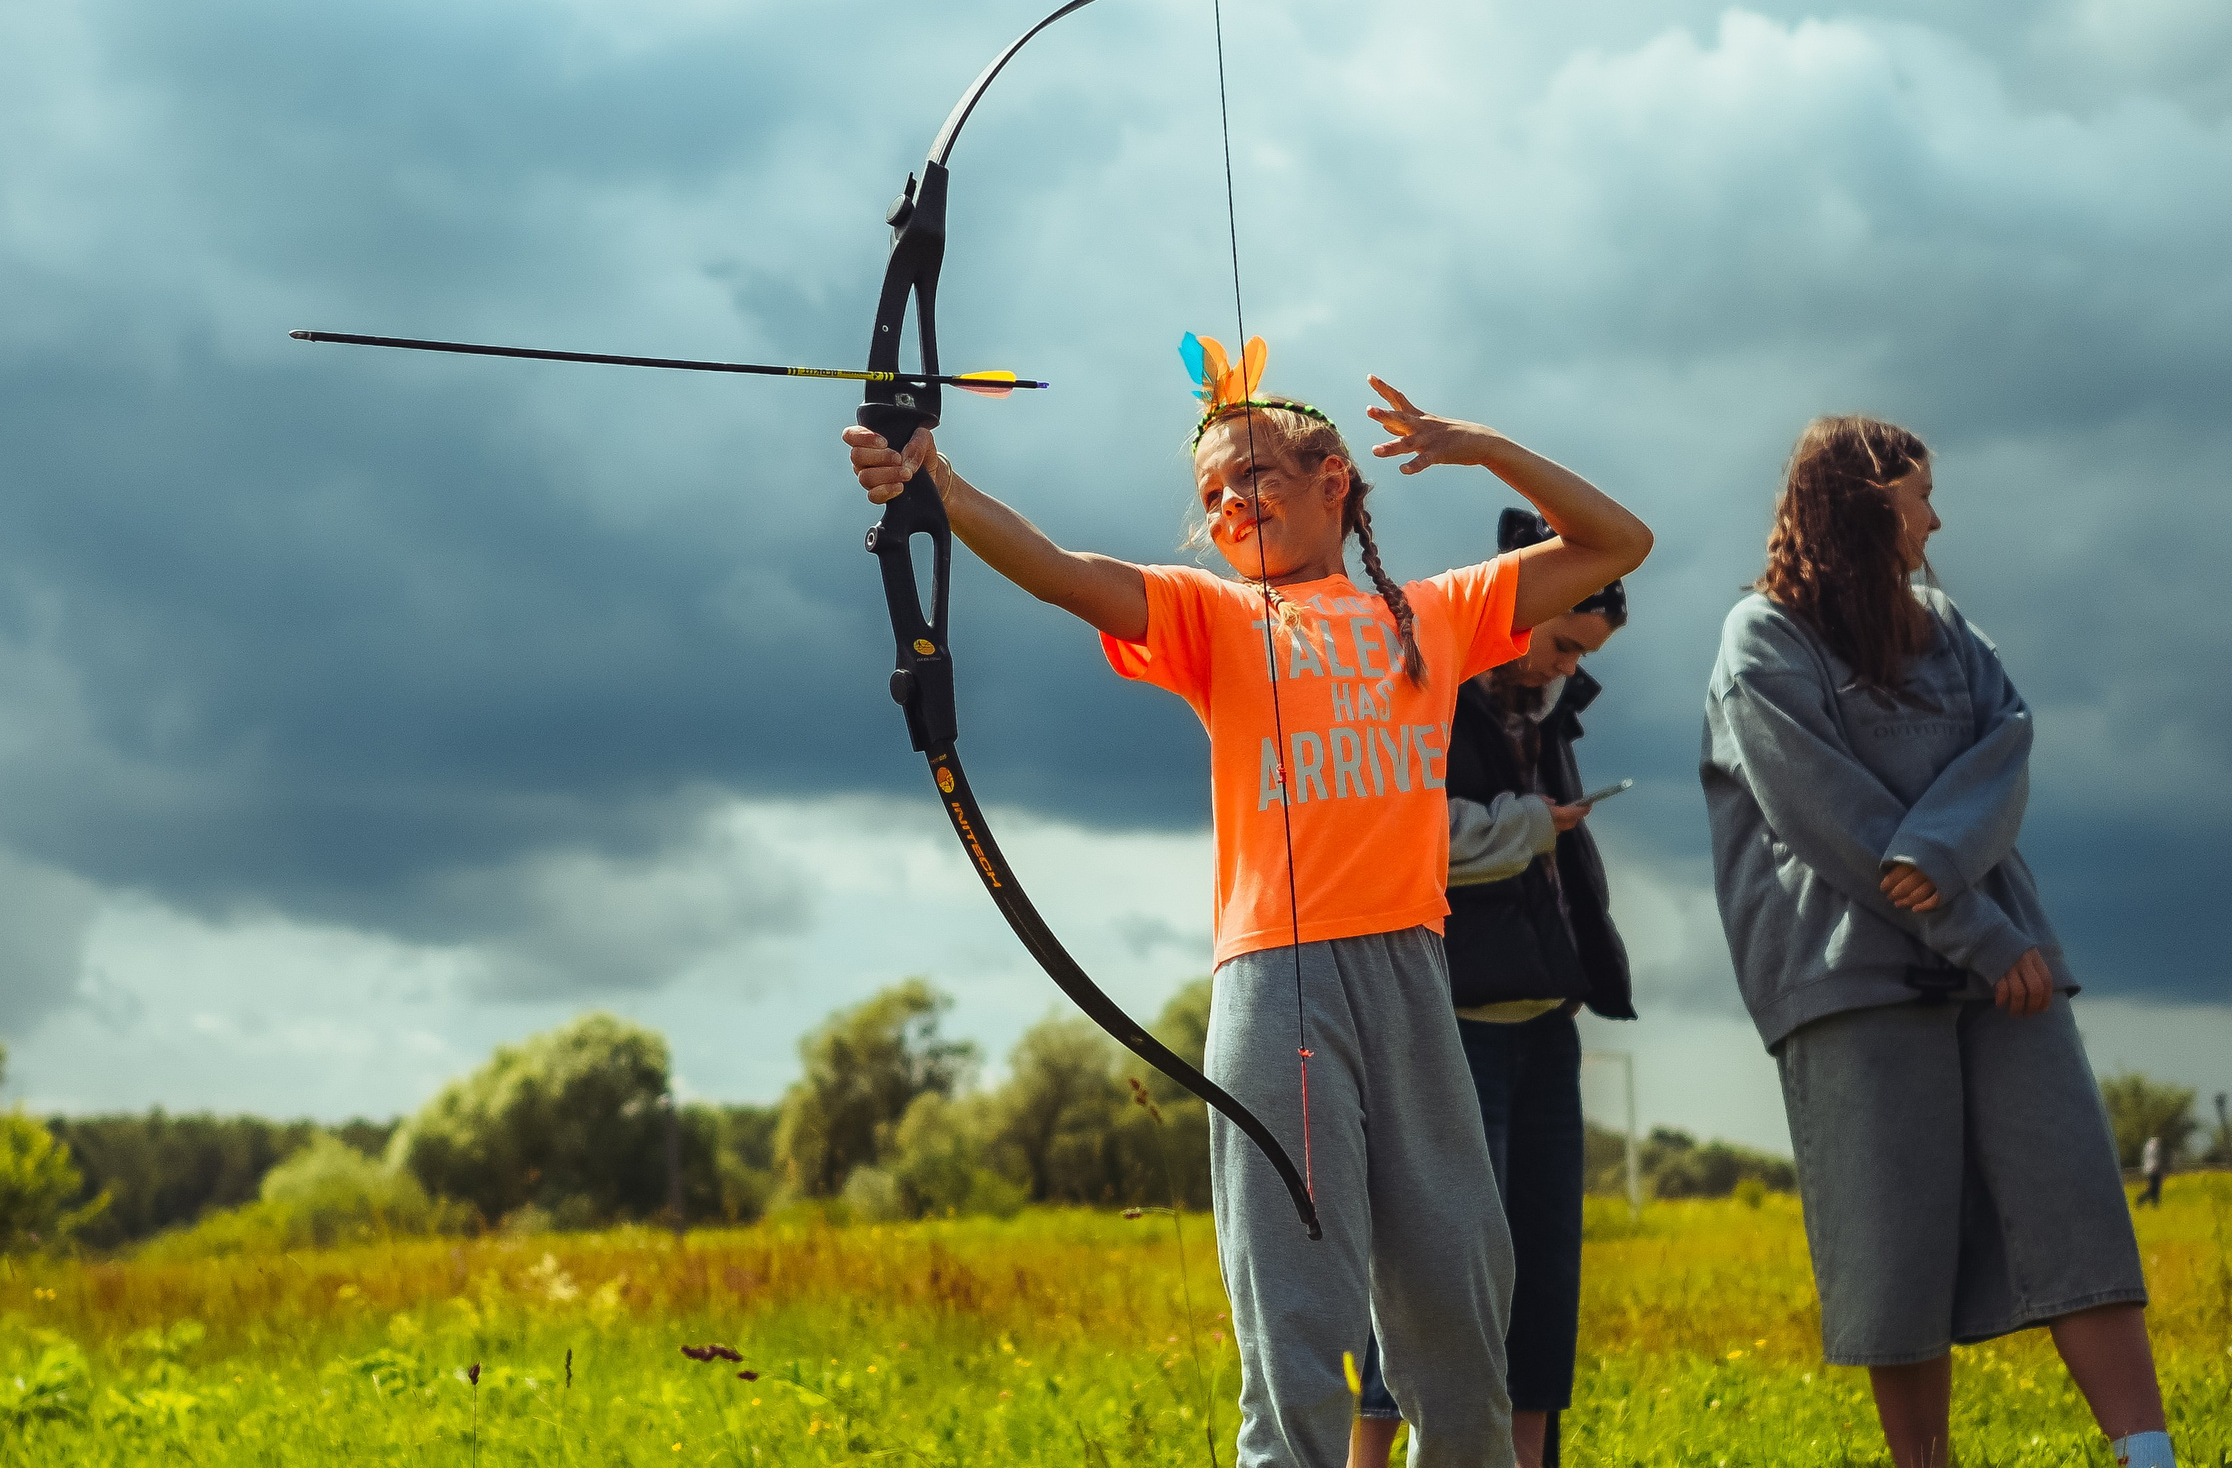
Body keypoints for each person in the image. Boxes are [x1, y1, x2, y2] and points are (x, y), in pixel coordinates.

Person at [847, 352, 1651, 1468]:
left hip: (1415, 977)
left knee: (1461, 1302)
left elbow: (1618, 546)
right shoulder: (1212, 619)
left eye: (1258, 473)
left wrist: (1481, 449)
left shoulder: (1433, 614)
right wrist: (935, 482)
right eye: (1213, 494)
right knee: (1295, 1314)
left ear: (1336, 483)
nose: (1231, 503)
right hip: (1279, 986)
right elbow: (1058, 572)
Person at [1701, 415, 2174, 1468]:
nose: (1935, 517)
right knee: (1892, 1248)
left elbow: (2001, 749)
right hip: (1854, 981)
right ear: (1866, 510)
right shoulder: (1762, 639)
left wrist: (1973, 914)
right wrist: (1972, 925)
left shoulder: (1945, 627)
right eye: (1918, 496)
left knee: (2077, 1210)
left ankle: (2150, 1456)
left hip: (2005, 965)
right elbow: (1833, 819)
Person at [1349, 509, 1636, 1468]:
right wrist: (1528, 824)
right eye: (1559, 642)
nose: (1562, 667)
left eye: (1581, 654)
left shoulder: (1546, 711)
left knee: (1545, 1269)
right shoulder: (1420, 678)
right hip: (1452, 1020)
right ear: (1528, 605)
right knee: (1438, 1268)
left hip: (1546, 1021)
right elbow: (1401, 827)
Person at [2138, 1134, 2166, 1208]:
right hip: (2154, 1169)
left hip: (2149, 1169)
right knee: (2154, 1189)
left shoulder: (2148, 1146)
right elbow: (2156, 1159)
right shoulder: (2155, 1147)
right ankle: (2141, 1199)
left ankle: (2155, 1205)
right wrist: (2159, 1169)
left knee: (2155, 1189)